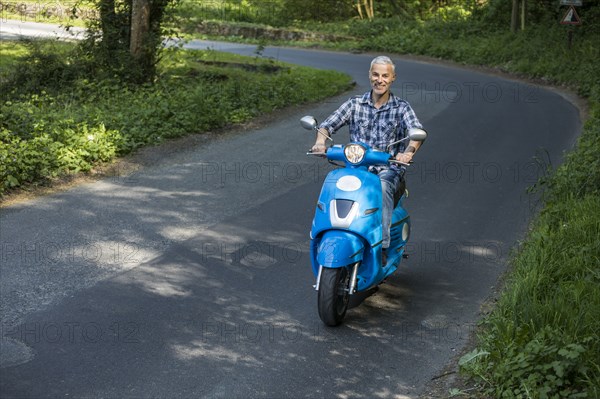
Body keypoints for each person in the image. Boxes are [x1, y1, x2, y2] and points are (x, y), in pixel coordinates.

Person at [311, 55, 424, 264]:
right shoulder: (355, 104)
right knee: (333, 181)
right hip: (357, 169)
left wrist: (407, 152)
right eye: (375, 74)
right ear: (369, 75)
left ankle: (382, 245)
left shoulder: (402, 108)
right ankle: (325, 233)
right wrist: (320, 142)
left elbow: (417, 132)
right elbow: (327, 125)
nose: (379, 80)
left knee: (381, 187)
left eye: (384, 76)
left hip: (388, 170)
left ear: (392, 78)